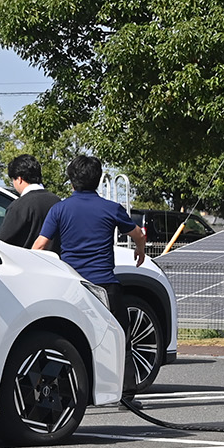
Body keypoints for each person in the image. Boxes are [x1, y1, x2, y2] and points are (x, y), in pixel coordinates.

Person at [32, 155, 146, 395]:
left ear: (71, 181)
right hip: (106, 286)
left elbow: (39, 246)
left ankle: (66, 388)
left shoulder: (60, 209)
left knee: (68, 337)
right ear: (97, 181)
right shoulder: (110, 208)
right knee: (118, 338)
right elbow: (138, 234)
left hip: (73, 286)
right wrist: (140, 250)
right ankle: (125, 392)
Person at [0, 154, 60, 249]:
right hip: (56, 261)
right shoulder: (56, 201)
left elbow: (1, 240)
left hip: (25, 261)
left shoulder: (19, 205)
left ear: (19, 179)